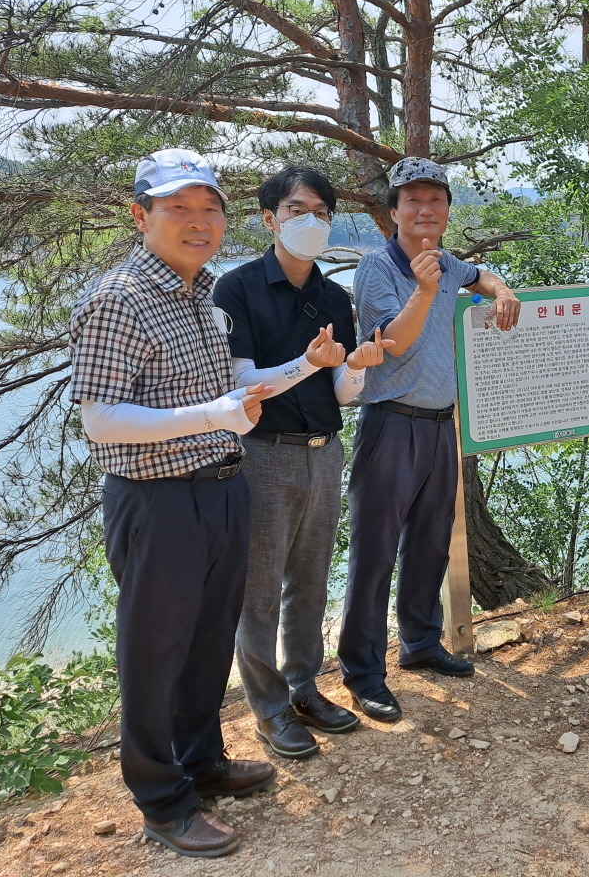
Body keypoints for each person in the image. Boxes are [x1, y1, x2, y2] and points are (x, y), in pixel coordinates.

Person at [70, 148, 276, 858]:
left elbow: (215, 403)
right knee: (155, 652)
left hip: (220, 488)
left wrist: (234, 413)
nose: (198, 222)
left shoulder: (201, 295)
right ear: (140, 215)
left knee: (208, 640)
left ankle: (203, 762)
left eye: (209, 208)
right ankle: (162, 800)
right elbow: (102, 421)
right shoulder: (118, 298)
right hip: (156, 501)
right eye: (178, 209)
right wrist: (214, 416)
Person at [213, 167, 393, 760]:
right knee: (259, 590)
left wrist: (359, 364)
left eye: (320, 212)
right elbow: (243, 387)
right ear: (269, 218)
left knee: (311, 582)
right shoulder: (235, 289)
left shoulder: (332, 296)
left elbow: (342, 390)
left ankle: (303, 688)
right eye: (296, 210)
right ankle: (267, 710)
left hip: (324, 451)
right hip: (263, 455)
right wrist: (309, 364)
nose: (309, 221)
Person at [339, 157, 521, 723]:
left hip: (441, 424)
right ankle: (364, 672)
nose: (425, 211)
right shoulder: (377, 268)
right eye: (412, 201)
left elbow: (477, 275)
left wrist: (500, 287)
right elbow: (392, 341)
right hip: (390, 423)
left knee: (429, 545)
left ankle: (419, 642)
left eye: (435, 201)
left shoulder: (443, 260)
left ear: (446, 211)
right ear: (393, 212)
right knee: (374, 554)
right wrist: (423, 290)